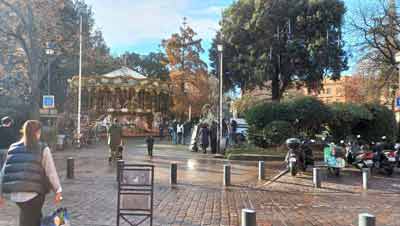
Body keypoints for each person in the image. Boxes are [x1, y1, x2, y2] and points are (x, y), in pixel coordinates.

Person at [0, 120, 63, 226]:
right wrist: (58, 190)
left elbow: (3, 172)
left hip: (16, 194)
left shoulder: (13, 147)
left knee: (34, 217)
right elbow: (50, 172)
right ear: (38, 132)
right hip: (34, 194)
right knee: (29, 219)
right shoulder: (43, 148)